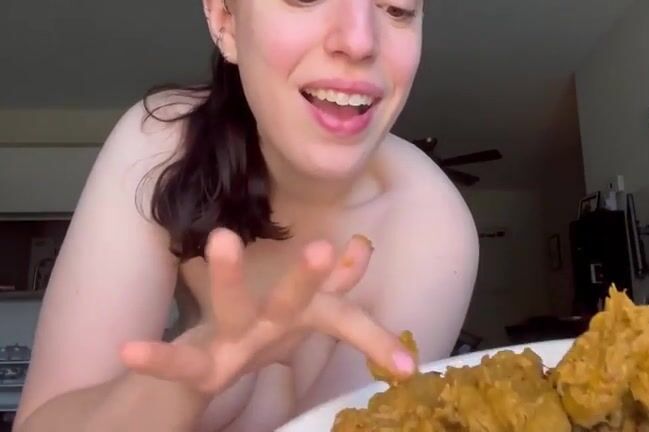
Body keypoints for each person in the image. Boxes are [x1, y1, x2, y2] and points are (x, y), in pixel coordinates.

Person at [13, 0, 479, 431]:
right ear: (225, 19)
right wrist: (181, 388)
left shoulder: (433, 230)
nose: (359, 41)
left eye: (397, 7)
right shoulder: (160, 148)